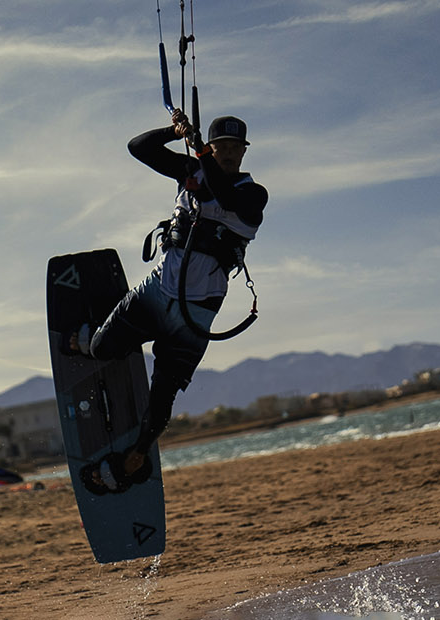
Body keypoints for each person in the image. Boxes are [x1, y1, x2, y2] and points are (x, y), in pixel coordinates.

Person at [69, 111, 268, 493]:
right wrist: (175, 133)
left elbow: (225, 197)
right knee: (101, 347)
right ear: (211, 146)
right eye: (221, 146)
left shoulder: (254, 193)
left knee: (163, 393)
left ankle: (137, 454)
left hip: (197, 312)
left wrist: (201, 153)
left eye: (235, 148)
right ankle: (98, 340)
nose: (228, 153)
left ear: (243, 154)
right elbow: (138, 148)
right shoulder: (188, 171)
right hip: (156, 291)